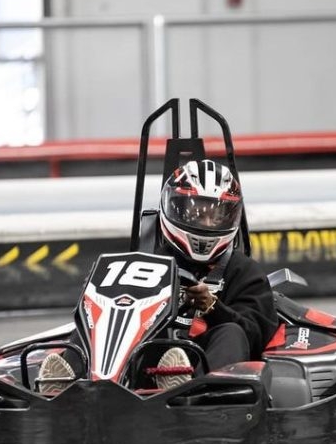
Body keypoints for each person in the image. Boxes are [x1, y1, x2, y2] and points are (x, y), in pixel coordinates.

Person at [38, 159, 278, 394]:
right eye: (197, 212)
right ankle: (67, 384)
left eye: (216, 215)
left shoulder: (244, 271)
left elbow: (256, 336)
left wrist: (213, 307)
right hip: (144, 357)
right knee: (94, 318)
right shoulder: (146, 262)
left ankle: (190, 389)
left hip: (203, 362)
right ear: (174, 208)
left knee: (231, 332)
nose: (206, 221)